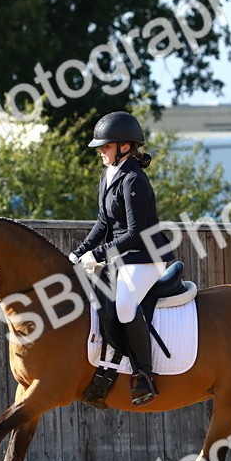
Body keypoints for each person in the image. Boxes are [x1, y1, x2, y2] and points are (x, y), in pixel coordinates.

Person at [70, 111, 174, 406]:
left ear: (124, 147)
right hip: (123, 258)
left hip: (146, 257)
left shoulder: (134, 181)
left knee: (125, 304)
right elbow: (103, 224)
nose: (101, 152)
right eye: (101, 147)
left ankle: (144, 374)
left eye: (105, 146)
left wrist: (98, 254)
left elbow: (135, 233)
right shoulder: (109, 176)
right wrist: (80, 251)